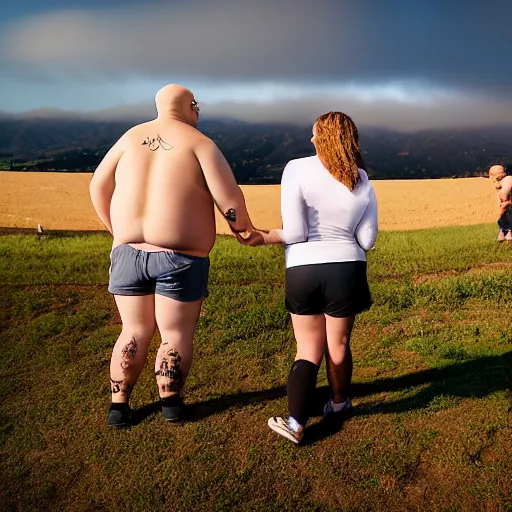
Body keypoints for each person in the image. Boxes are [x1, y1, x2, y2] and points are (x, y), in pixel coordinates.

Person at [90, 84, 254, 427]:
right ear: (191, 107)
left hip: (127, 252)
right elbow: (229, 199)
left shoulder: (131, 137)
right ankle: (170, 402)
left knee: (132, 330)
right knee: (174, 334)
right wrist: (243, 230)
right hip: (180, 257)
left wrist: (115, 230)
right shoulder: (199, 143)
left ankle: (118, 405)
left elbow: (97, 186)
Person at [238, 111, 378, 444]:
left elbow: (297, 232)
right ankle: (340, 403)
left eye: (314, 134)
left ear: (324, 138)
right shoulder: (360, 178)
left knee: (307, 348)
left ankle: (296, 423)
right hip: (347, 267)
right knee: (339, 344)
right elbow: (368, 239)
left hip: (303, 269)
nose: (311, 139)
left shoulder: (296, 168)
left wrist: (262, 236)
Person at [488, 164, 512, 242]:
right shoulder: (505, 180)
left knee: (505, 216)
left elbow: (503, 195)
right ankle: (506, 233)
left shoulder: (507, 180)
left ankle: (506, 233)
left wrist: (505, 203)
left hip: (508, 205)